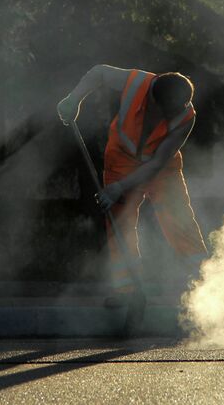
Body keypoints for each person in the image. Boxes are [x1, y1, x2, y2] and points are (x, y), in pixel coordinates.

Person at [57, 65, 208, 306]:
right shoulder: (137, 83)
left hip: (162, 169)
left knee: (179, 221)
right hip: (121, 160)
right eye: (165, 112)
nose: (170, 117)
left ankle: (205, 286)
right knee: (120, 225)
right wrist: (73, 99)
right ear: (152, 100)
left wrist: (118, 188)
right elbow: (98, 73)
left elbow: (158, 163)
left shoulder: (186, 116)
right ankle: (126, 293)